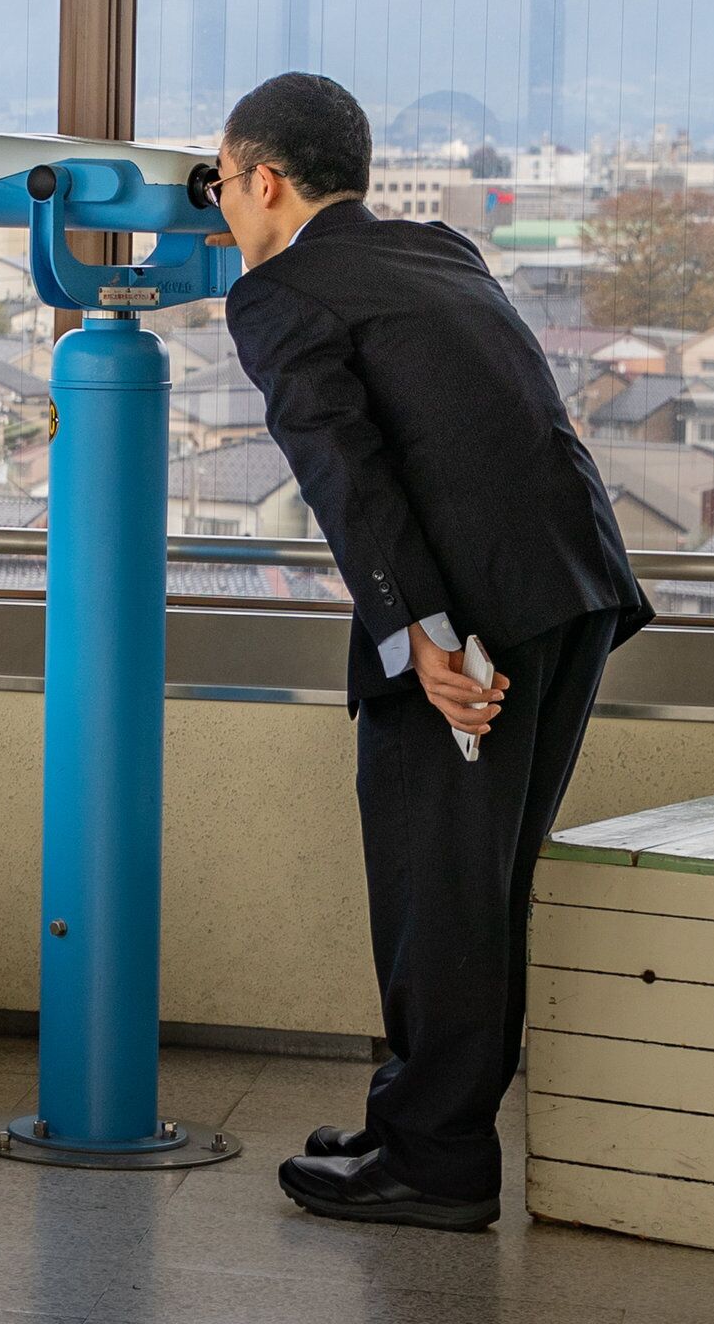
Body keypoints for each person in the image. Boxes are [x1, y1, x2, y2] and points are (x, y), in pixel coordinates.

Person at [211, 72, 650, 1231]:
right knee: (481, 883)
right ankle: (414, 1118)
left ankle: (438, 1162)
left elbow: (347, 475)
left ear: (264, 178)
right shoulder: (440, 248)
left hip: (476, 618)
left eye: (220, 180)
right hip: (576, 586)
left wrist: (421, 637)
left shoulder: (277, 294)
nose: (218, 207)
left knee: (434, 890)